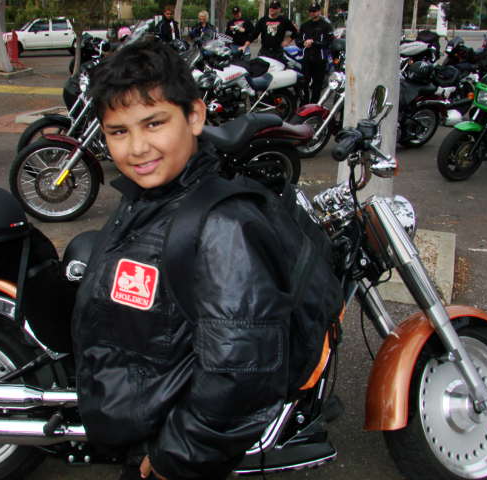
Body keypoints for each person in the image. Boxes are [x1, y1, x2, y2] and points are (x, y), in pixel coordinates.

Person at [72, 40, 292, 480]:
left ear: (194, 116)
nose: (137, 148)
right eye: (118, 132)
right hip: (144, 428)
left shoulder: (222, 227)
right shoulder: (147, 197)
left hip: (171, 454)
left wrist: (177, 456)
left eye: (153, 123)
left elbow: (241, 372)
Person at [298, 3, 334, 103]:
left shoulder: (326, 26)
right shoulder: (304, 25)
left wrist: (314, 43)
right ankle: (304, 103)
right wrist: (303, 42)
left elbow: (329, 42)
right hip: (306, 58)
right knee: (304, 82)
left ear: (319, 11)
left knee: (317, 85)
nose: (312, 13)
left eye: (314, 11)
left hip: (320, 59)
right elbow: (298, 40)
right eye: (310, 11)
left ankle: (314, 104)